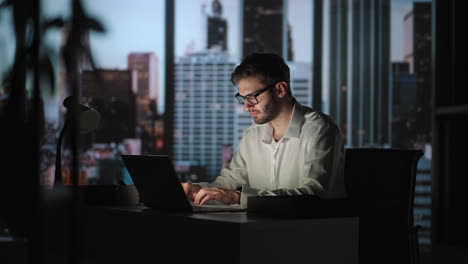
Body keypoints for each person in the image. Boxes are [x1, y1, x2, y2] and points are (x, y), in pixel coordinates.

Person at [182, 53, 346, 207]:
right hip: (259, 228)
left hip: (311, 231)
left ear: (280, 89)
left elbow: (313, 194)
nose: (246, 107)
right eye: (243, 98)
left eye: (252, 97)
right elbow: (228, 183)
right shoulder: (253, 133)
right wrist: (197, 190)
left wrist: (239, 197)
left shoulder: (319, 129)